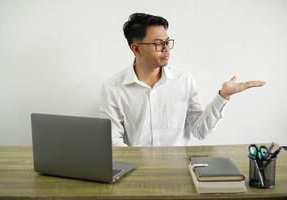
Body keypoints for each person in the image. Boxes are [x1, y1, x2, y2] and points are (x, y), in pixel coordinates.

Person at [100, 13, 265, 147]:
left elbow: (200, 131)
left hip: (179, 170)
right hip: (136, 172)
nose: (166, 49)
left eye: (167, 42)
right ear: (136, 48)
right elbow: (113, 141)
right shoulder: (113, 88)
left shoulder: (183, 80)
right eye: (158, 44)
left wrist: (223, 96)